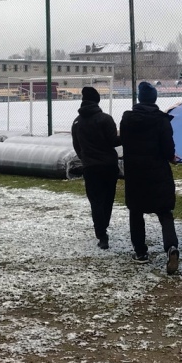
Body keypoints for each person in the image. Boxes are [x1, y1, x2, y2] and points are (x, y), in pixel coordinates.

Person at [119, 81, 180, 274]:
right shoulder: (162, 120)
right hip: (158, 173)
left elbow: (124, 142)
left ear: (139, 98)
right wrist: (171, 157)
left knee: (136, 212)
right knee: (165, 212)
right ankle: (171, 247)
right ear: (154, 99)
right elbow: (168, 149)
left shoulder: (127, 119)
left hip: (135, 174)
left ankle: (140, 252)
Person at [71, 86, 121, 250]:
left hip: (91, 168)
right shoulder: (105, 119)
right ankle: (103, 226)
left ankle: (101, 234)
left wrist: (85, 159)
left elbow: (77, 146)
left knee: (96, 201)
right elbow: (114, 141)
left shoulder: (77, 122)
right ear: (97, 101)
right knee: (107, 199)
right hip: (109, 166)